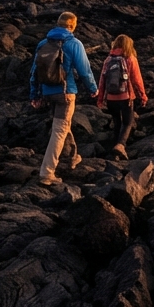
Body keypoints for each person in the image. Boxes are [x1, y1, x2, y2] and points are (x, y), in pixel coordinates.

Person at [30, 11, 98, 186]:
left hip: (47, 92)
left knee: (63, 125)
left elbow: (34, 72)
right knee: (59, 130)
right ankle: (47, 173)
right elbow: (84, 70)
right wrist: (93, 89)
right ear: (72, 26)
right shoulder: (74, 43)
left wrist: (35, 94)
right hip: (65, 94)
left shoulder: (43, 43)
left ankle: (73, 156)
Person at [97, 34, 148, 160]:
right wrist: (143, 95)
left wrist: (100, 99)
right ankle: (121, 145)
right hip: (126, 97)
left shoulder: (108, 59)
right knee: (128, 122)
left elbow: (102, 80)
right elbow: (137, 80)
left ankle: (114, 153)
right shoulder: (130, 58)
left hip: (110, 98)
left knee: (117, 122)